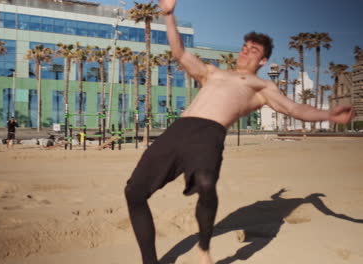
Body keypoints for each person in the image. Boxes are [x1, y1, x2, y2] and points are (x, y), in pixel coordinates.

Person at [124, 1, 355, 264]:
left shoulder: (261, 86)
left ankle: (203, 248)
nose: (245, 52)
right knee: (134, 193)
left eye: (253, 50)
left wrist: (327, 114)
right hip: (179, 129)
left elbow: (294, 108)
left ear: (264, 60)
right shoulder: (212, 72)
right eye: (244, 47)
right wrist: (168, 15)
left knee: (206, 183)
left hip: (209, 134)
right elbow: (180, 52)